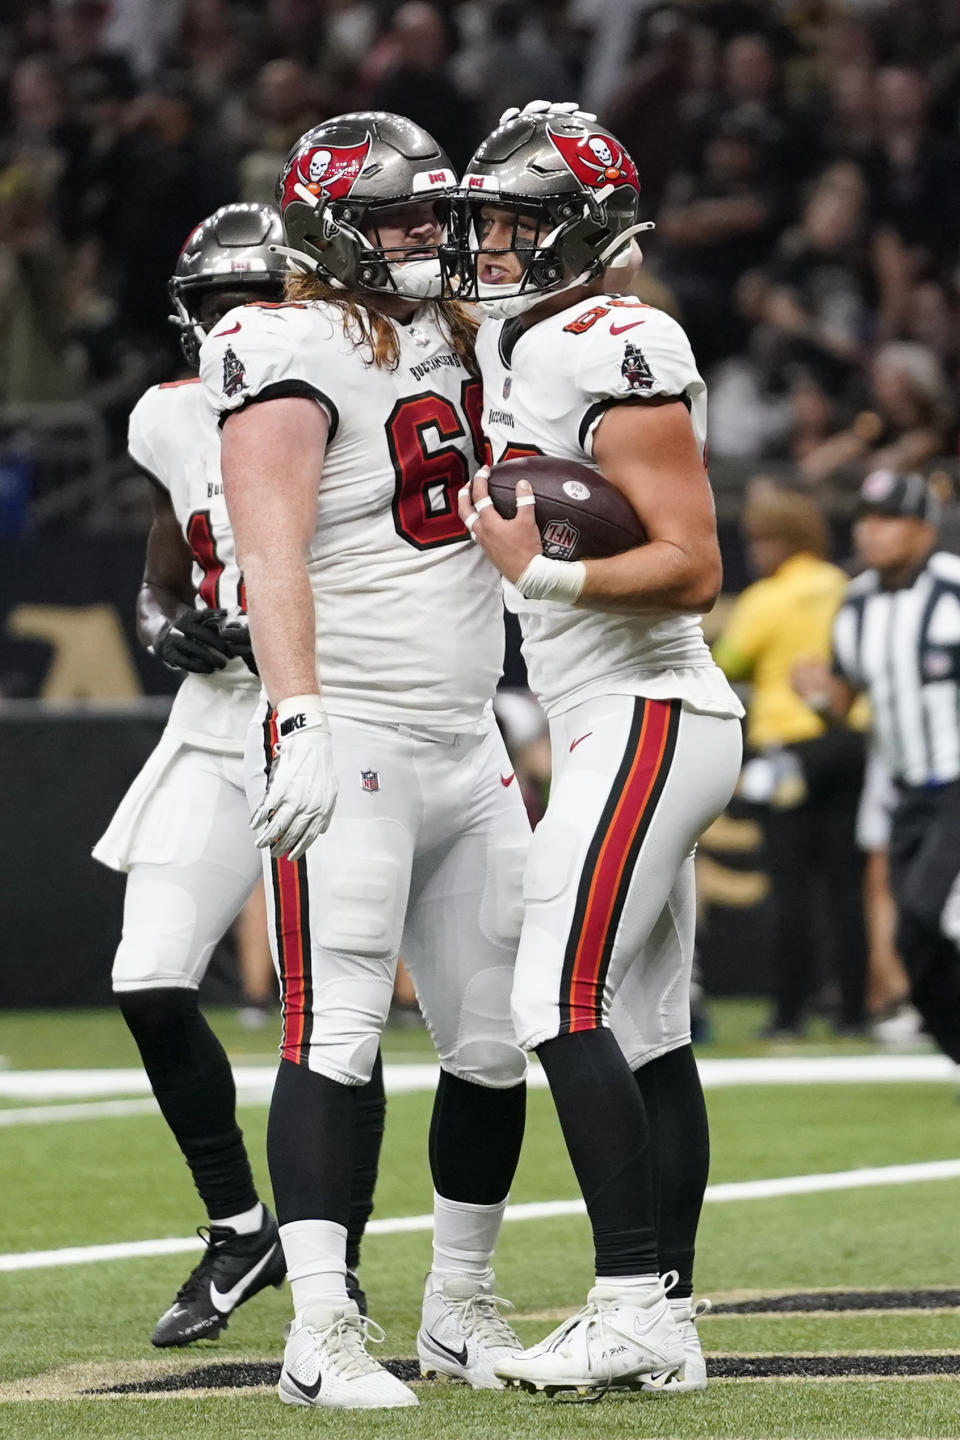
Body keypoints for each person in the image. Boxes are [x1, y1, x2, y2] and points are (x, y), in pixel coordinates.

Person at [199, 112, 531, 1411]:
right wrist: (300, 715)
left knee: (494, 1042)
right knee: (338, 1026)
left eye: (430, 216)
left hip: (467, 734)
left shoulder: (452, 332)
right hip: (360, 728)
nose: (426, 240)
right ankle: (320, 1327)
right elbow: (272, 549)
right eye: (399, 218)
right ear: (334, 226)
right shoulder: (273, 339)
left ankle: (458, 1307)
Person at [455, 104, 744, 1396]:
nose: (491, 246)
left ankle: (629, 1299)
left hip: (649, 708)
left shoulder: (618, 341)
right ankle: (666, 1324)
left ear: (576, 229)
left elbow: (693, 565)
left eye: (514, 221)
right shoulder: (533, 339)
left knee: (549, 1003)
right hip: (613, 721)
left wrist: (544, 581)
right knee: (643, 1031)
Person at [93, 203, 385, 1347]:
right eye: (222, 308)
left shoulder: (356, 399)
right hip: (218, 724)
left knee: (339, 1014)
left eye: (262, 301)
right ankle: (239, 1226)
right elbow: (165, 572)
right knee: (150, 976)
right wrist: (166, 623)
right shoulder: (170, 417)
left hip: (343, 713)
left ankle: (335, 1261)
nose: (240, 329)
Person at [793, 468, 960, 1068]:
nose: (868, 532)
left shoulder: (953, 589)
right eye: (864, 520)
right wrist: (819, 698)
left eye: (886, 519)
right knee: (911, 939)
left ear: (921, 529)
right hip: (906, 791)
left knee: (921, 912)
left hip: (956, 786)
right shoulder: (857, 601)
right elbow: (846, 700)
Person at [713, 479, 869, 1038]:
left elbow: (727, 662)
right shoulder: (849, 588)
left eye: (761, 540)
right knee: (847, 888)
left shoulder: (767, 598)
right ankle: (854, 1010)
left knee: (791, 886)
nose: (755, 552)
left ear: (781, 541)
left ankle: (789, 1012)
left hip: (789, 750)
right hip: (850, 742)